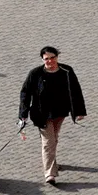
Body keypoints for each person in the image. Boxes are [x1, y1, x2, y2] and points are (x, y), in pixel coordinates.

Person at [19, 46, 87, 185]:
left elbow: (75, 90)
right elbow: (25, 93)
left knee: (54, 138)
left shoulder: (67, 71)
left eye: (52, 58)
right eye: (46, 59)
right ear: (42, 59)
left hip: (60, 112)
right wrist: (23, 114)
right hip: (41, 114)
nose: (50, 61)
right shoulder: (35, 73)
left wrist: (79, 111)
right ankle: (50, 174)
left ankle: (53, 163)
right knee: (48, 142)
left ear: (57, 57)